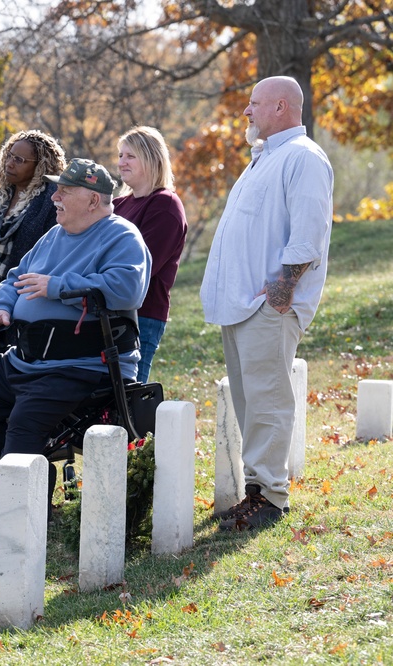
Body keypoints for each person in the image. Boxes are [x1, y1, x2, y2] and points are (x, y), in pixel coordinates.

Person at [0, 159, 151, 550]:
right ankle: (29, 484)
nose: (54, 197)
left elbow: (126, 290)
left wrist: (58, 286)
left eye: (64, 192)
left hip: (82, 365)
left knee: (23, 423)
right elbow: (15, 278)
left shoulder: (121, 237)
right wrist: (2, 307)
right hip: (28, 358)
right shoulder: (54, 235)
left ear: (92, 200)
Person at [201, 76, 333, 531]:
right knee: (249, 403)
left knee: (268, 402)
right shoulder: (264, 159)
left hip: (270, 306)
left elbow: (308, 234)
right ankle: (255, 492)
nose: (246, 112)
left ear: (281, 107)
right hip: (243, 305)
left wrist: (281, 291)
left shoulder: (303, 157)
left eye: (253, 103)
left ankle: (270, 498)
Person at [0, 130, 67, 366]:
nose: (9, 163)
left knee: (22, 380)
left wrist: (13, 297)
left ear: (40, 166)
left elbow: (50, 255)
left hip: (30, 307)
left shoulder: (51, 202)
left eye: (19, 160)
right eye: (9, 156)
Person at [113, 126, 188, 383]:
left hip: (141, 317)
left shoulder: (165, 204)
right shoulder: (118, 205)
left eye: (130, 156)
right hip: (107, 312)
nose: (121, 162)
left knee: (127, 401)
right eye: (121, 155)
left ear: (152, 159)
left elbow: (142, 266)